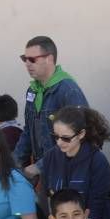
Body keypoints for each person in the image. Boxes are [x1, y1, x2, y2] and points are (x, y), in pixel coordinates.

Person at [24, 106, 110, 219]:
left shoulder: (97, 160)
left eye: (66, 138)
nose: (59, 142)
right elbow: (49, 198)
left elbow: (96, 207)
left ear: (81, 134)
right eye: (55, 136)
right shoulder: (50, 157)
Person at [14, 36, 88, 167]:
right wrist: (12, 165)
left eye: (32, 59)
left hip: (65, 171)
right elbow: (28, 131)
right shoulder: (33, 90)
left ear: (49, 59)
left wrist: (39, 167)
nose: (27, 63)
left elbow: (79, 139)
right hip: (45, 170)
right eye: (24, 59)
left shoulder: (68, 91)